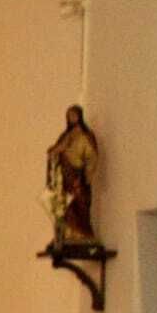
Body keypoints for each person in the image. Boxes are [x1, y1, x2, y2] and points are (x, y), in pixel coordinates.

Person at [46, 104, 99, 245]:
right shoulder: (66, 135)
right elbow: (56, 151)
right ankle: (67, 232)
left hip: (77, 175)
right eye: (69, 116)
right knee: (65, 204)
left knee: (79, 203)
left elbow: (92, 157)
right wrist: (54, 152)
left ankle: (82, 233)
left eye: (74, 115)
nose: (72, 118)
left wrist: (86, 175)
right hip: (64, 174)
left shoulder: (85, 135)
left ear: (79, 117)